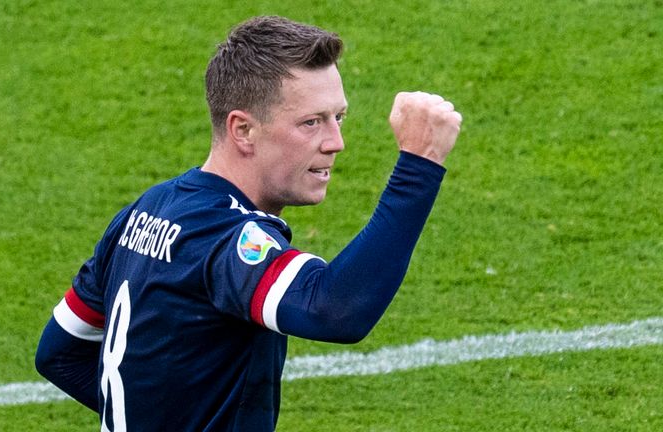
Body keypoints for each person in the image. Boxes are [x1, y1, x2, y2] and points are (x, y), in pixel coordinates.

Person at [35, 15, 462, 432]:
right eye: (311, 122)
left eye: (339, 118)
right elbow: (334, 310)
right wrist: (418, 165)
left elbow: (60, 352)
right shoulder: (223, 235)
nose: (336, 142)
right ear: (243, 130)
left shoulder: (146, 211)